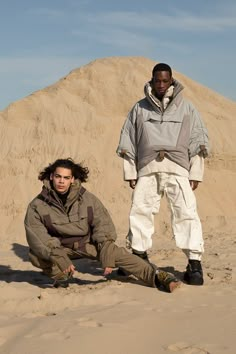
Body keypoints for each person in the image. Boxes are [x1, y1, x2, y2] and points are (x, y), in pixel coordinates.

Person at [24, 158, 181, 292]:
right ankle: (62, 275)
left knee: (117, 253)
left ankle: (157, 276)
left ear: (72, 179)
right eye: (58, 176)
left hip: (87, 244)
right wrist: (58, 256)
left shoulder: (87, 199)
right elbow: (38, 237)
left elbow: (103, 226)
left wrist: (105, 252)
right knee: (36, 255)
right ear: (51, 177)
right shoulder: (37, 205)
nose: (61, 181)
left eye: (66, 178)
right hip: (61, 248)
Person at [116, 63, 209, 286]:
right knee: (140, 211)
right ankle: (139, 256)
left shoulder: (187, 108)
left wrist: (195, 172)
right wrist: (131, 171)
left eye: (164, 80)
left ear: (171, 81)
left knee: (186, 213)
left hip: (178, 168)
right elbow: (128, 138)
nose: (160, 84)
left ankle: (194, 264)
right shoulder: (139, 108)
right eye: (157, 80)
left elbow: (198, 140)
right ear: (151, 80)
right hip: (147, 168)